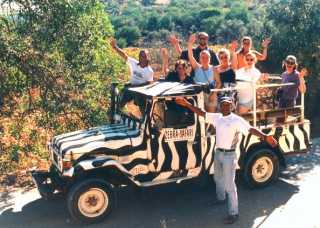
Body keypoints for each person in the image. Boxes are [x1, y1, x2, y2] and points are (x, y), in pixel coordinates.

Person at [175, 96, 277, 225]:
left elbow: (250, 129)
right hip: (218, 153)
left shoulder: (236, 120)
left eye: (228, 104)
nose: (225, 106)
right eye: (223, 104)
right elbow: (202, 112)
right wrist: (187, 104)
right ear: (220, 106)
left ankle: (234, 213)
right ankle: (221, 199)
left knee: (230, 185)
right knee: (218, 178)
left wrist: (265, 136)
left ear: (232, 106)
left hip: (229, 156)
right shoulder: (217, 117)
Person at [188, 34, 221, 112]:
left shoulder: (213, 69)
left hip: (210, 94)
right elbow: (190, 56)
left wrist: (214, 94)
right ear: (199, 59)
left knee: (211, 117)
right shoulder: (196, 67)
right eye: (202, 57)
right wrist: (190, 44)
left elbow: (219, 83)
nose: (205, 59)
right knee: (200, 117)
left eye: (207, 57)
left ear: (210, 59)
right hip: (199, 94)